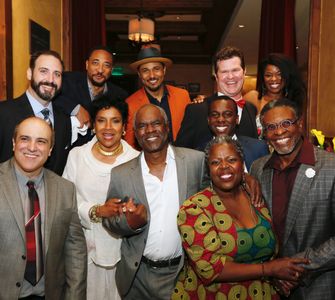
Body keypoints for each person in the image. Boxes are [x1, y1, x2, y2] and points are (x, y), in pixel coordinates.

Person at [172, 136, 308, 299]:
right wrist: (270, 269)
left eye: (231, 160)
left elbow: (269, 250)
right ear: (208, 169)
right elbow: (210, 270)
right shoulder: (194, 208)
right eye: (215, 162)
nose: (224, 167)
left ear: (241, 164)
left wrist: (275, 275)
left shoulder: (255, 195)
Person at [102, 104, 207, 299]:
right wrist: (130, 224)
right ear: (135, 133)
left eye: (156, 123)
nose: (150, 130)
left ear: (167, 127)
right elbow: (109, 219)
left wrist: (246, 179)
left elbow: (218, 194)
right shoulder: (121, 174)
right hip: (138, 278)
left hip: (184, 273)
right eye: (142, 126)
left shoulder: (195, 162)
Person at [250, 98, 335, 299]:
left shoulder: (331, 167)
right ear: (264, 133)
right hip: (269, 288)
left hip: (319, 287)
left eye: (286, 123)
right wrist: (272, 270)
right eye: (271, 127)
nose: (279, 132)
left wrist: (295, 268)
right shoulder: (258, 168)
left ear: (300, 124)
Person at [0, 116, 87, 299]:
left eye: (41, 141)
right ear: (14, 143)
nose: (32, 147)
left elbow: (75, 251)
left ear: (50, 150)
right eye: (25, 139)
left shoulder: (65, 189)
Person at [62, 96, 139, 300]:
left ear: (124, 127)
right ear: (93, 126)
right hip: (82, 249)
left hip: (124, 253)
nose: (108, 127)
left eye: (115, 121)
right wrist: (96, 211)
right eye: (101, 120)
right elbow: (65, 201)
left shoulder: (135, 160)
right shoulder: (77, 156)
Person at [0, 50, 72, 175]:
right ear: (29, 73)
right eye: (44, 71)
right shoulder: (3, 113)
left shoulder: (64, 119)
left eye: (57, 74)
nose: (50, 80)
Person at [175, 46, 258, 149]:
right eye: (224, 72)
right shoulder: (197, 111)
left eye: (235, 70)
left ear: (244, 71)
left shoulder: (251, 109)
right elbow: (180, 153)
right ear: (216, 76)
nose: (230, 76)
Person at [54, 45, 128, 146]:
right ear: (87, 65)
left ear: (111, 69)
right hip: (68, 152)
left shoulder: (119, 94)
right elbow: (50, 97)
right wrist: (75, 108)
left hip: (103, 151)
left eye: (106, 65)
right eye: (95, 63)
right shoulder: (68, 81)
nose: (100, 70)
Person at [124, 47, 191, 148]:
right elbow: (130, 145)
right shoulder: (130, 104)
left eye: (156, 69)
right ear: (139, 74)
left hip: (181, 158)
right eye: (145, 70)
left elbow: (191, 131)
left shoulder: (182, 96)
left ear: (164, 70)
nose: (152, 75)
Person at [196, 95, 268, 170]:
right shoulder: (199, 154)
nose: (220, 120)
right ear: (208, 120)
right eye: (215, 115)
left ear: (237, 119)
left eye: (227, 114)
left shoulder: (258, 148)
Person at [244, 53, 306, 135]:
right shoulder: (253, 98)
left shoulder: (294, 102)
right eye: (268, 75)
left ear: (286, 76)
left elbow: (300, 134)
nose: (274, 79)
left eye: (279, 74)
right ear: (263, 78)